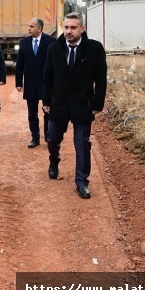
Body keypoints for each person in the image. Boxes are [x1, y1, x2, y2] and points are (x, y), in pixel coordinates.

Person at [43, 12, 107, 199]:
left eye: (73, 28)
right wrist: (46, 101)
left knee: (82, 145)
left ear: (82, 29)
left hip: (82, 105)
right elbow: (47, 77)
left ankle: (81, 181)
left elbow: (100, 79)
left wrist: (98, 103)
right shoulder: (54, 49)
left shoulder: (94, 49)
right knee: (52, 139)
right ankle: (54, 161)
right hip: (58, 105)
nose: (68, 31)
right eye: (66, 28)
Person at [16, 17, 56, 149]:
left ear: (40, 28)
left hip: (47, 83)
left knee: (48, 111)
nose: (29, 28)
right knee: (32, 113)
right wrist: (18, 82)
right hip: (30, 82)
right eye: (28, 26)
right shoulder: (24, 42)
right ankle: (35, 137)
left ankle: (49, 136)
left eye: (32, 26)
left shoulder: (51, 42)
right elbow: (20, 64)